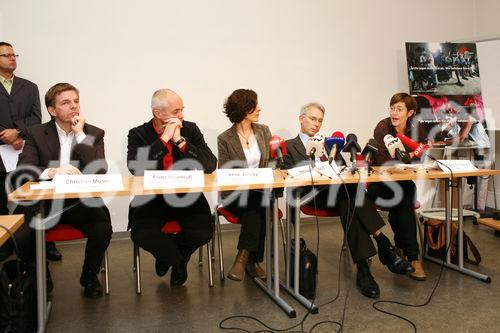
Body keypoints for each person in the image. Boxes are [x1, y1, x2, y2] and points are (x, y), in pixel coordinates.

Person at [283, 102, 414, 298]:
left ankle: (364, 271)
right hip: (311, 195)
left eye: (320, 120)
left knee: (349, 196)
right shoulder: (289, 145)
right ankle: (383, 243)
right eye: (312, 119)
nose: (316, 124)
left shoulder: (330, 144)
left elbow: (343, 170)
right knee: (350, 193)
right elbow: (285, 172)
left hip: (338, 194)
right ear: (301, 119)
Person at [15, 82, 113, 297]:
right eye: (66, 103)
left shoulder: (93, 133)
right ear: (52, 110)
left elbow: (98, 171)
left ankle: (89, 274)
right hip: (45, 203)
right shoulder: (36, 133)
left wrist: (80, 135)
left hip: (79, 202)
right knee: (23, 235)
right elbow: (23, 169)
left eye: (76, 101)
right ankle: (41, 276)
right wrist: (53, 172)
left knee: (102, 227)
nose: (74, 107)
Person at [127, 88, 216, 286]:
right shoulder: (138, 134)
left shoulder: (190, 130)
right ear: (158, 114)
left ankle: (168, 257)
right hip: (152, 198)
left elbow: (210, 165)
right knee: (141, 233)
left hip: (187, 197)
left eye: (182, 110)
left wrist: (180, 141)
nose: (182, 115)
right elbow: (136, 168)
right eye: (176, 111)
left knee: (202, 231)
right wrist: (164, 139)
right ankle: (177, 261)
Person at [0, 42, 62, 262]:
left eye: (13, 54)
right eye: (6, 55)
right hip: (0, 150)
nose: (12, 58)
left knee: (36, 198)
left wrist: (18, 133)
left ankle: (46, 243)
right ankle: (6, 245)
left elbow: (36, 117)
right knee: (2, 199)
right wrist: (4, 135)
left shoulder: (29, 86)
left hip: (27, 148)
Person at [368, 92, 427, 281]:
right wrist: (408, 157)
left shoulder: (416, 129)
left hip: (402, 184)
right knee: (405, 193)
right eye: (392, 108)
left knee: (404, 191)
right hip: (379, 185)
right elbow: (384, 162)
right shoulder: (383, 127)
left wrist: (408, 157)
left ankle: (404, 249)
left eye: (399, 109)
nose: (394, 112)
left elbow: (421, 156)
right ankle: (413, 256)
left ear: (410, 113)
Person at [217, 89, 272, 281]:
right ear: (244, 109)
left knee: (258, 200)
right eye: (255, 105)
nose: (259, 108)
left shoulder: (264, 131)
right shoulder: (224, 139)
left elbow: (272, 162)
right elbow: (224, 171)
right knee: (258, 202)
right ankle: (252, 261)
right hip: (235, 195)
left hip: (260, 193)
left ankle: (243, 256)